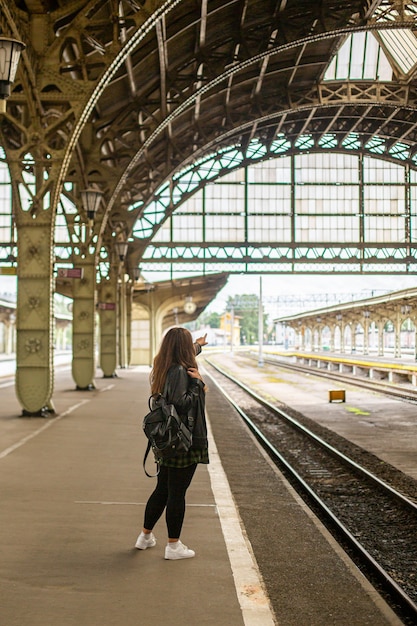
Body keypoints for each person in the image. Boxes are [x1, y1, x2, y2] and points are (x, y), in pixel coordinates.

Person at [135, 328, 209, 560]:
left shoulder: (165, 364)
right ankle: (173, 546)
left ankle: (145, 537)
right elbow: (182, 403)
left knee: (163, 489)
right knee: (177, 493)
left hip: (169, 438)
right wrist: (198, 383)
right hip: (183, 441)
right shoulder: (179, 371)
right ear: (182, 348)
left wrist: (198, 345)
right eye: (189, 345)